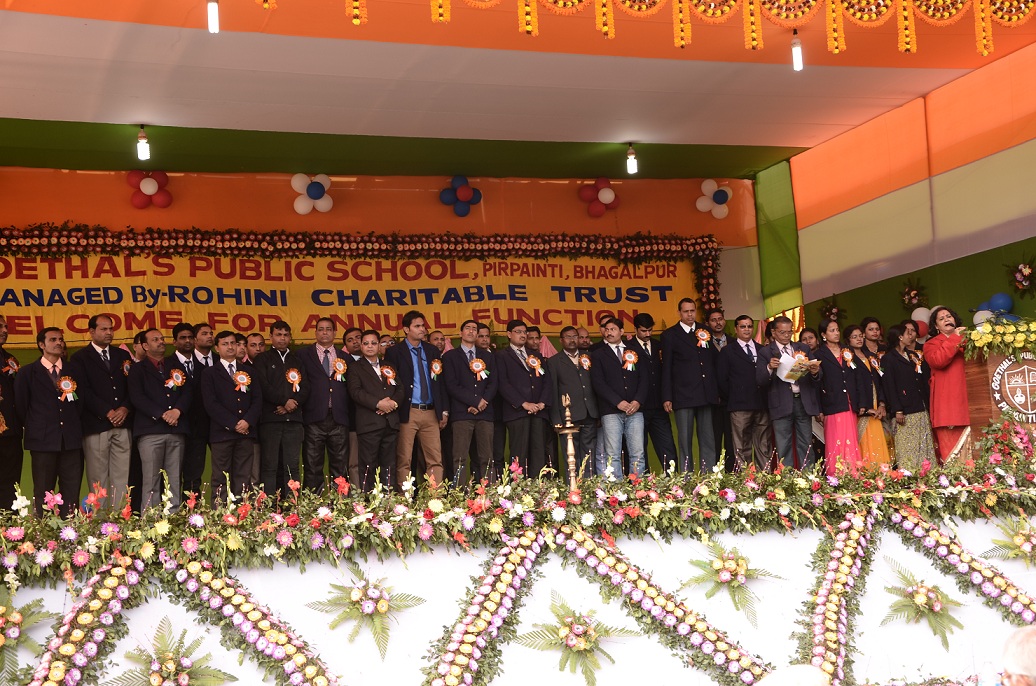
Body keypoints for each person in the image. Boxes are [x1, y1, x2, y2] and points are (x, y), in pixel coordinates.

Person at [14, 327, 83, 517]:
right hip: (42, 440)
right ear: (41, 345)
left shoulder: (74, 371)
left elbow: (81, 404)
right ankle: (43, 531)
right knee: (43, 490)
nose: (59, 342)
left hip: (70, 440)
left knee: (71, 490)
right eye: (53, 339)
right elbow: (21, 406)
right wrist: (39, 425)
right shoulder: (27, 372)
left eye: (60, 339)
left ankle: (70, 530)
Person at [68, 314, 133, 511]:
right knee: (98, 479)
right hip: (96, 425)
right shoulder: (80, 357)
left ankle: (121, 519)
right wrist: (107, 411)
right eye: (104, 329)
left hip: (123, 423)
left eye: (111, 329)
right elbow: (82, 390)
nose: (109, 333)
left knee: (122, 476)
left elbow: (133, 387)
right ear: (91, 331)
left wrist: (124, 408)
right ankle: (99, 521)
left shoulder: (122, 355)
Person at [127, 328, 192, 510]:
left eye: (162, 338)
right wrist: (163, 414)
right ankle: (151, 521)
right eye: (155, 339)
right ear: (145, 346)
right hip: (150, 431)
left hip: (176, 430)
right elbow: (137, 397)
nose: (161, 341)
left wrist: (177, 411)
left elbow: (188, 392)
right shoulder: (137, 369)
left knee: (174, 480)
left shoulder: (177, 366)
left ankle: (173, 519)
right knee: (151, 480)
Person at [385, 310, 448, 487]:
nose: (422, 329)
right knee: (404, 458)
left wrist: (443, 410)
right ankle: (404, 499)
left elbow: (440, 382)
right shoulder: (394, 352)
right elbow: (391, 383)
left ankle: (435, 498)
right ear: (406, 329)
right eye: (417, 326)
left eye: (423, 326)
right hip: (408, 411)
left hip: (431, 411)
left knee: (435, 459)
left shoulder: (432, 350)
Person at [201, 330, 262, 503]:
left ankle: (241, 512)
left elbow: (257, 400)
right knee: (220, 477)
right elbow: (211, 404)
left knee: (243, 476)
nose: (230, 347)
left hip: (246, 433)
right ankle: (220, 513)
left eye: (233, 343)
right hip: (222, 433)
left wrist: (247, 421)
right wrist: (234, 423)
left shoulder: (249, 371)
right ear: (217, 348)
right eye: (225, 344)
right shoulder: (209, 373)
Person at [660, 298, 719, 473]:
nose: (690, 314)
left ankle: (709, 477)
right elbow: (666, 368)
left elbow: (711, 362)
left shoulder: (705, 330)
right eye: (686, 311)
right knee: (685, 440)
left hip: (705, 393)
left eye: (692, 311)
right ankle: (687, 477)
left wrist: (715, 390)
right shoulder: (670, 335)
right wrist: (667, 396)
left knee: (707, 439)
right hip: (683, 394)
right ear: (679, 312)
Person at [757, 315, 822, 470]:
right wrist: (769, 368)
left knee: (806, 443)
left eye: (789, 332)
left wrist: (815, 371)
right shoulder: (765, 352)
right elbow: (760, 380)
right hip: (780, 403)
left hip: (802, 401)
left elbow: (818, 376)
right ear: (774, 333)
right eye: (782, 332)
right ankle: (787, 479)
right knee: (783, 445)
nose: (787, 336)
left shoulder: (803, 348)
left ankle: (808, 477)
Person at [254, 320, 308, 496]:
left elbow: (306, 388)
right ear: (271, 337)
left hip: (294, 420)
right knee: (269, 466)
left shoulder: (297, 360)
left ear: (290, 337)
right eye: (278, 334)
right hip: (271, 420)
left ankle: (293, 506)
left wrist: (292, 404)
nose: (282, 338)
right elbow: (263, 386)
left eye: (285, 335)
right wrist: (285, 401)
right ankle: (270, 506)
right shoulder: (262, 359)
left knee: (292, 467)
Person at [298, 317, 351, 493]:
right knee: (312, 466)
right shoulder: (303, 355)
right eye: (321, 329)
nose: (325, 332)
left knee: (340, 467)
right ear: (315, 332)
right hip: (313, 417)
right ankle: (314, 504)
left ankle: (340, 504)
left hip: (339, 417)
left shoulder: (345, 357)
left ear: (335, 333)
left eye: (328, 329)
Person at [347, 330, 404, 492]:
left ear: (379, 346)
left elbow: (400, 389)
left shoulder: (389, 366)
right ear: (361, 346)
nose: (370, 346)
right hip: (369, 424)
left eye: (373, 343)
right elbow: (355, 392)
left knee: (389, 464)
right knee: (368, 465)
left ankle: (389, 500)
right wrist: (378, 404)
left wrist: (392, 403)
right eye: (366, 343)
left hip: (390, 422)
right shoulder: (355, 367)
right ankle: (369, 501)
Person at [442, 320, 498, 485]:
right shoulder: (450, 356)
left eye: (474, 329)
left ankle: (489, 493)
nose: (471, 331)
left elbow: (493, 382)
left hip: (485, 413)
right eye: (468, 328)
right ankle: (459, 494)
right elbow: (451, 385)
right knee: (459, 457)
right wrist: (475, 401)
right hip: (462, 413)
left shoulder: (487, 356)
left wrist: (483, 401)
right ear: (461, 333)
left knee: (487, 457)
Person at [590, 317, 647, 477]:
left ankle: (638, 488)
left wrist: (637, 401)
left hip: (635, 410)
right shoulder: (598, 354)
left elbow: (644, 379)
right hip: (611, 411)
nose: (609, 332)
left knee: (637, 453)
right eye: (607, 329)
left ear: (621, 331)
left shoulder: (634, 351)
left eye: (613, 329)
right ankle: (616, 490)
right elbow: (598, 383)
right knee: (612, 454)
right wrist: (618, 402)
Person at [494, 319, 551, 477]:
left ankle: (539, 487)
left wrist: (542, 403)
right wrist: (523, 403)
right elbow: (503, 383)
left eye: (524, 332)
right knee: (519, 452)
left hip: (538, 411)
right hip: (517, 412)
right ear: (509, 334)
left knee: (538, 452)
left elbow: (547, 381)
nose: (523, 335)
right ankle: (518, 487)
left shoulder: (536, 355)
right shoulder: (501, 356)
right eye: (518, 332)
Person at [718, 315, 772, 470]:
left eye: (749, 326)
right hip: (739, 405)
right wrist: (734, 397)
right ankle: (746, 479)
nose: (747, 329)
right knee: (742, 446)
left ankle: (765, 479)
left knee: (764, 445)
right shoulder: (727, 351)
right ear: (736, 329)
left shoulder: (763, 350)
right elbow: (722, 380)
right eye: (743, 326)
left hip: (761, 404)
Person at [881, 325, 936, 470]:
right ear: (900, 337)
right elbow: (889, 386)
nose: (911, 335)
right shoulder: (888, 358)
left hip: (919, 405)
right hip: (904, 410)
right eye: (908, 333)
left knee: (923, 444)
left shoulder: (912, 355)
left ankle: (927, 474)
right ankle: (909, 475)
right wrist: (897, 409)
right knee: (907, 446)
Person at [547, 326, 598, 479]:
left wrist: (599, 413)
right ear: (561, 340)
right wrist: (556, 419)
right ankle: (573, 486)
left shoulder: (589, 357)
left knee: (590, 453)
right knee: (571, 454)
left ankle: (589, 485)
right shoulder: (554, 361)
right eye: (568, 337)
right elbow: (553, 391)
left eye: (575, 336)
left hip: (590, 412)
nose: (572, 340)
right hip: (568, 416)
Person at [628, 313, 677, 471]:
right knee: (639, 450)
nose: (647, 334)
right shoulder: (627, 348)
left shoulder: (658, 345)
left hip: (658, 406)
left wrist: (667, 397)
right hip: (638, 408)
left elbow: (667, 373)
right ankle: (642, 483)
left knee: (667, 448)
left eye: (650, 330)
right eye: (643, 331)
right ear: (635, 329)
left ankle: (673, 481)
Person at [815, 320, 861, 476]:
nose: (836, 333)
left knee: (851, 438)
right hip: (832, 403)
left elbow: (855, 375)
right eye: (832, 330)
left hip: (849, 401)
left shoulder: (847, 350)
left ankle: (853, 473)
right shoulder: (819, 354)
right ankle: (836, 475)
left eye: (837, 330)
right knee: (836, 439)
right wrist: (819, 409)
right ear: (823, 334)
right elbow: (817, 384)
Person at [923, 306, 969, 461]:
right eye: (941, 319)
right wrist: (955, 338)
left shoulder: (969, 339)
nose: (947, 319)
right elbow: (938, 360)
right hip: (949, 407)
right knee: (953, 458)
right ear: (936, 326)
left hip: (972, 403)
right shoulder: (931, 344)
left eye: (949, 316)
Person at [844, 324, 890, 470]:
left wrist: (882, 404)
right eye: (854, 337)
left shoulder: (870, 356)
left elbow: (880, 381)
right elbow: (852, 385)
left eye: (860, 336)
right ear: (848, 340)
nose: (859, 339)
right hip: (863, 408)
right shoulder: (848, 358)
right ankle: (869, 475)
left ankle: (882, 475)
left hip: (876, 405)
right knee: (865, 443)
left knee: (878, 440)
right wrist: (865, 407)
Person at [183, 322, 216, 496]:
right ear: (195, 339)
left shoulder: (220, 360)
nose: (209, 336)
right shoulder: (186, 362)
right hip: (194, 424)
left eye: (211, 333)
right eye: (204, 333)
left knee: (224, 470)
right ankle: (191, 508)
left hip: (219, 424)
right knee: (193, 473)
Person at [0, 315, 23, 511]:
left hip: (11, 432)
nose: (5, 331)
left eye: (6, 327)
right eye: (0, 327)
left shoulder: (10, 359)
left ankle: (8, 526)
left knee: (10, 483)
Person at [706, 308, 734, 470]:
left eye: (720, 319)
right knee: (714, 439)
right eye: (713, 320)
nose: (718, 322)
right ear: (707, 323)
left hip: (732, 398)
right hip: (713, 399)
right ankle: (715, 474)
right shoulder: (703, 343)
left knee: (732, 439)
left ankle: (732, 473)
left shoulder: (733, 342)